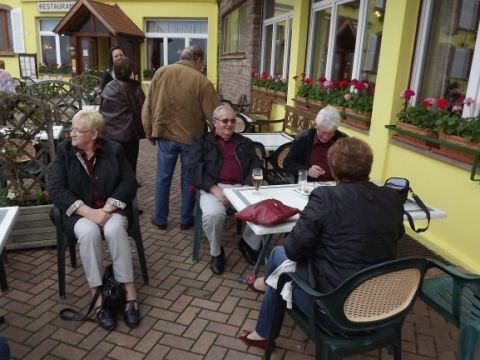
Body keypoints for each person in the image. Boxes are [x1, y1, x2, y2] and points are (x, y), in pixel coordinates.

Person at [239, 137, 405, 349]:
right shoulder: (391, 197)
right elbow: (396, 234)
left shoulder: (325, 197)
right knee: (282, 268)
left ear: (333, 168)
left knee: (279, 257)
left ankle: (264, 330)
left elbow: (294, 250)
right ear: (368, 166)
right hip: (383, 305)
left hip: (334, 310)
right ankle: (264, 290)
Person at [48, 110, 140, 331]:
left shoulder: (114, 150)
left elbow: (129, 182)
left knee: (115, 231)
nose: (72, 134)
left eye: (79, 131)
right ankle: (98, 298)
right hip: (80, 213)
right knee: (88, 234)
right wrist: (90, 213)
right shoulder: (64, 153)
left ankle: (129, 294)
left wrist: (108, 207)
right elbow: (56, 189)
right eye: (72, 129)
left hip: (111, 210)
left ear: (94, 134)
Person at [142, 46, 219, 231]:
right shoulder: (202, 82)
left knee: (162, 178)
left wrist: (149, 130)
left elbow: (148, 105)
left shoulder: (161, 73)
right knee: (188, 180)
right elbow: (213, 115)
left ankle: (160, 218)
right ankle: (186, 219)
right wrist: (215, 139)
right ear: (198, 60)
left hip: (165, 135)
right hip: (191, 139)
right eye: (203, 63)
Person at [189, 104, 263, 274]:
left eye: (232, 120)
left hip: (241, 187)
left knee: (262, 210)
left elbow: (256, 165)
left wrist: (246, 185)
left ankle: (248, 243)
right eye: (225, 121)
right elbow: (193, 170)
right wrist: (214, 189)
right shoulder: (201, 142)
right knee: (213, 215)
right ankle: (216, 252)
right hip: (214, 188)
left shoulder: (245, 142)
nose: (229, 124)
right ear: (215, 123)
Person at [100, 57, 145, 173]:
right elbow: (142, 111)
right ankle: (127, 187)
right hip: (128, 136)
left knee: (114, 166)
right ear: (131, 72)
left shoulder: (107, 88)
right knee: (129, 166)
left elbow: (101, 109)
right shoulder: (135, 89)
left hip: (110, 135)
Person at [284, 105, 346, 182]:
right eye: (322, 132)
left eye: (330, 133)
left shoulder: (343, 141)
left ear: (335, 129)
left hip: (335, 186)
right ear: (316, 126)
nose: (326, 137)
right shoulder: (303, 138)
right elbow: (287, 164)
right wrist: (308, 171)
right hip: (308, 185)